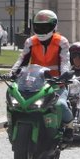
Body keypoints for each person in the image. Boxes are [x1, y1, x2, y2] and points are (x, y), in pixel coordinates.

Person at [9, 9, 74, 137]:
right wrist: (12, 73)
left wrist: (63, 77)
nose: (42, 30)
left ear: (53, 26)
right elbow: (22, 59)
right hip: (34, 82)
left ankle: (69, 126)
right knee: (15, 101)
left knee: (60, 104)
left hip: (55, 83)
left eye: (45, 27)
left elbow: (65, 62)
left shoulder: (61, 42)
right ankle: (11, 124)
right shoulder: (31, 42)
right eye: (38, 26)